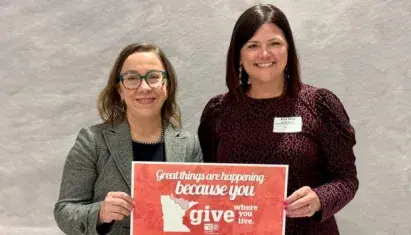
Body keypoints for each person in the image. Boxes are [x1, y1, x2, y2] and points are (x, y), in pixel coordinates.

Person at [197, 4, 358, 234]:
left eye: (274, 43)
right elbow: (210, 184)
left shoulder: (319, 104)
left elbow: (347, 179)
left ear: (289, 50)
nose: (264, 54)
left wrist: (319, 198)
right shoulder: (218, 111)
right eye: (253, 45)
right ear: (238, 56)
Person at [54, 42, 203, 235]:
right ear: (119, 90)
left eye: (154, 77)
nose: (144, 87)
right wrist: (100, 213)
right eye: (132, 78)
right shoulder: (92, 140)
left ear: (167, 84)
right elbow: (64, 211)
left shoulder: (189, 145)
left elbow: (199, 212)